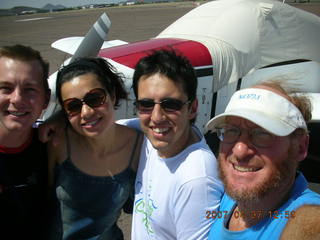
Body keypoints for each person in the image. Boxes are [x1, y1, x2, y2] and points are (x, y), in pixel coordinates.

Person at [120, 49, 223, 239]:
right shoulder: (151, 137)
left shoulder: (196, 180)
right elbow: (98, 128)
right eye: (146, 104)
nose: (157, 117)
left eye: (171, 105)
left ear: (192, 108)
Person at [205, 81, 320, 239]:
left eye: (262, 133)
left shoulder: (310, 220)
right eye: (232, 130)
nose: (239, 151)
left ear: (300, 147)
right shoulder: (232, 197)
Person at [48, 57, 143, 240]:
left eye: (95, 98)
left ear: (113, 95)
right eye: (73, 106)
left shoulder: (137, 147)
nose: (86, 112)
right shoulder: (57, 145)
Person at [0, 45, 51, 239]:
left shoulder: (53, 146)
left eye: (29, 89)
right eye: (5, 88)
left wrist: (62, 119)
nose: (17, 99)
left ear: (45, 99)